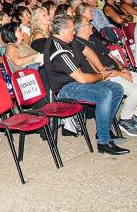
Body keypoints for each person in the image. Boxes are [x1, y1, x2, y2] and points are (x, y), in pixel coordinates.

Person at [43, 15, 128, 155]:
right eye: (71, 29)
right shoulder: (58, 50)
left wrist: (101, 69)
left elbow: (87, 49)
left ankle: (103, 130)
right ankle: (104, 142)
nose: (74, 32)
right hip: (66, 88)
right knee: (105, 94)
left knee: (117, 88)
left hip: (76, 84)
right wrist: (102, 75)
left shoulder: (68, 40)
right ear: (62, 31)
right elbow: (82, 78)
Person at [73, 16, 137, 136]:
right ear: (81, 29)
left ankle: (132, 115)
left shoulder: (94, 40)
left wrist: (124, 68)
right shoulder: (79, 45)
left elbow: (112, 57)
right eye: (88, 24)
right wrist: (120, 73)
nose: (92, 25)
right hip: (108, 77)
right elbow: (98, 70)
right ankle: (124, 119)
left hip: (119, 72)